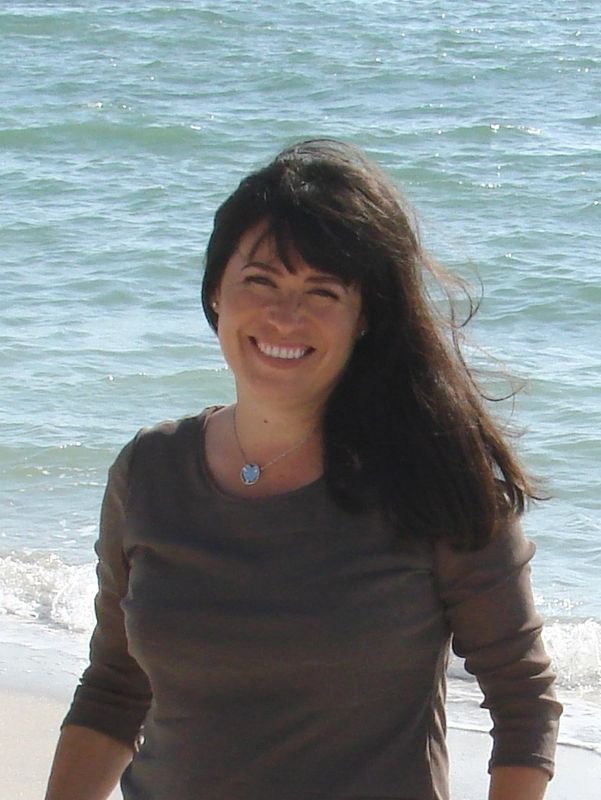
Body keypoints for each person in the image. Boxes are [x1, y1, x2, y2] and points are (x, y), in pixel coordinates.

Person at [45, 139, 562, 800]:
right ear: (215, 295)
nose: (286, 315)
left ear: (364, 316)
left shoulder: (431, 480)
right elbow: (115, 688)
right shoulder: (149, 472)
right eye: (260, 281)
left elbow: (522, 704)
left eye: (322, 291)